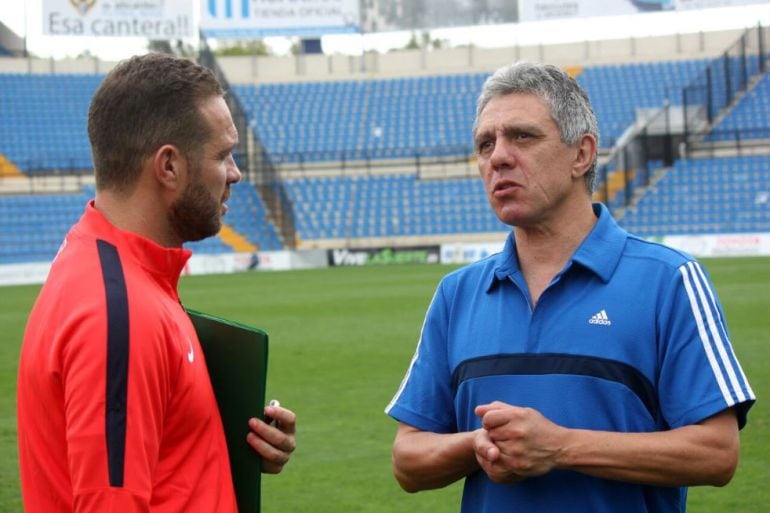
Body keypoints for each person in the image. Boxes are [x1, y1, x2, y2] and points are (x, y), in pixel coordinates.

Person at [385, 61, 755, 512]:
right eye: (486, 143)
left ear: (581, 154)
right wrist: (479, 443)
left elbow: (717, 453)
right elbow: (407, 460)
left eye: (522, 136)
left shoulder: (669, 280)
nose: (498, 156)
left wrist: (560, 447)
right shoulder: (457, 293)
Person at [17, 53, 296, 513]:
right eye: (223, 154)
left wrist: (228, 447)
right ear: (168, 166)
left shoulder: (115, 272)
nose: (236, 174)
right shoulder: (119, 314)